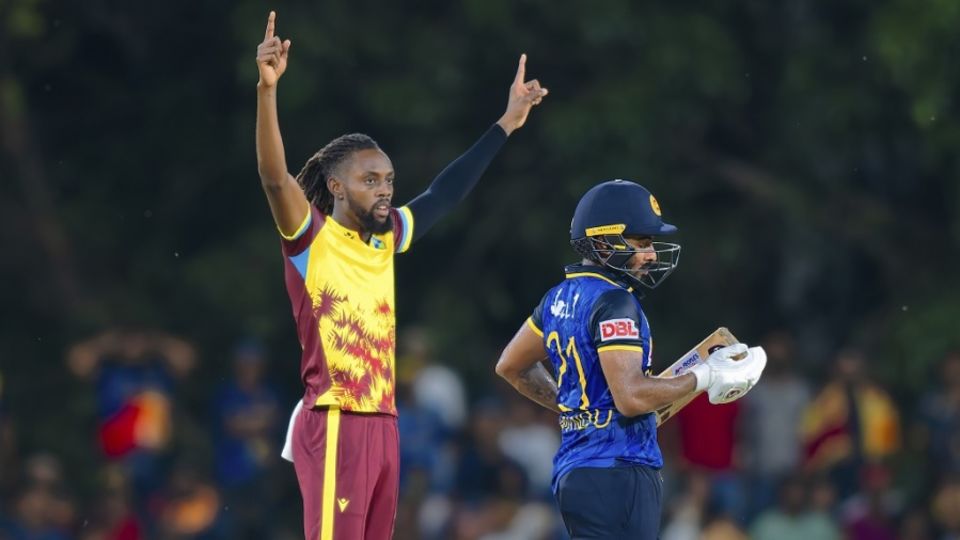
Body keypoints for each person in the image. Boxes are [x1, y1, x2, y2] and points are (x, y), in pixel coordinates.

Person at [253, 11, 548, 540]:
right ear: (338, 188)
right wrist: (267, 90)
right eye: (370, 180)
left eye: (388, 179)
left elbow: (443, 194)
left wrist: (505, 124)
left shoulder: (386, 239)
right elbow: (276, 179)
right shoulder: (311, 237)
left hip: (385, 426)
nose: (385, 189)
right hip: (337, 421)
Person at [495, 179, 767, 539]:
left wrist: (574, 410)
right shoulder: (615, 300)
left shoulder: (557, 297)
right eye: (641, 242)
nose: (652, 254)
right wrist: (705, 375)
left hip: (576, 472)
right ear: (605, 243)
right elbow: (631, 396)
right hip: (620, 470)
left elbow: (510, 366)